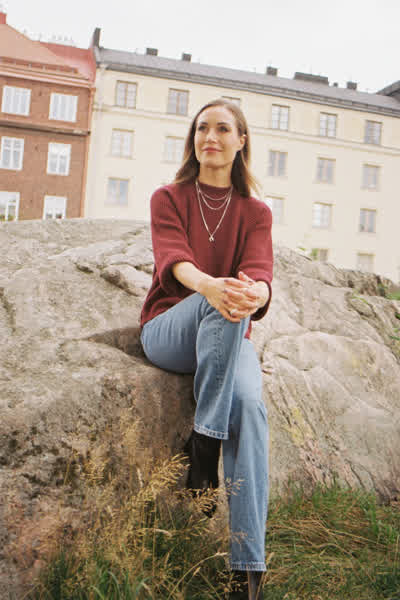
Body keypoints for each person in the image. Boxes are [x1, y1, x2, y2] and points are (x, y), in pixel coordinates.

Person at [140, 98, 273, 600]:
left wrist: (256, 293)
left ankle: (247, 570)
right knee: (220, 298)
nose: (210, 137)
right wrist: (213, 287)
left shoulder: (256, 212)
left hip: (230, 334)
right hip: (170, 330)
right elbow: (174, 262)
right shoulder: (168, 197)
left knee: (252, 408)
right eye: (201, 129)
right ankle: (206, 443)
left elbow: (260, 274)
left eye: (222, 129)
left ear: (241, 141)